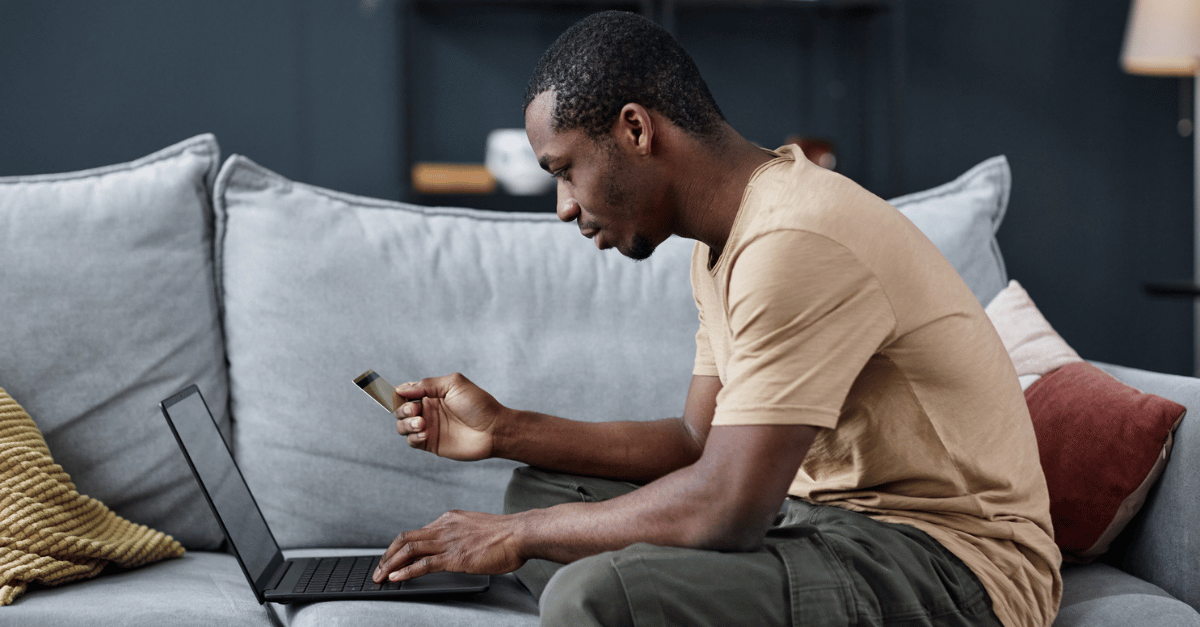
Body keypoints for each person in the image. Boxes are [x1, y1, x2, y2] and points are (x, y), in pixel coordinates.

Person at [373, 10, 1062, 627]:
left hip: (955, 567)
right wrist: (505, 429)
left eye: (566, 169)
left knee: (589, 593)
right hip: (825, 520)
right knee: (537, 489)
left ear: (636, 129)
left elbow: (731, 506)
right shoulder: (722, 244)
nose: (561, 205)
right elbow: (697, 439)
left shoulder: (796, 238)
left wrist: (521, 536)